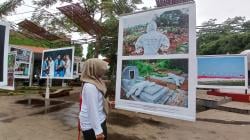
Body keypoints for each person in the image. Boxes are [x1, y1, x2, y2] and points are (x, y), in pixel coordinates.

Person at [79, 58, 109, 140]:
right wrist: (98, 131)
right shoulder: (90, 86)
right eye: (101, 69)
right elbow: (92, 110)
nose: (103, 71)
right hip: (92, 126)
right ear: (94, 69)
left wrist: (108, 102)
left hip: (100, 119)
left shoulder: (96, 81)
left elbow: (100, 98)